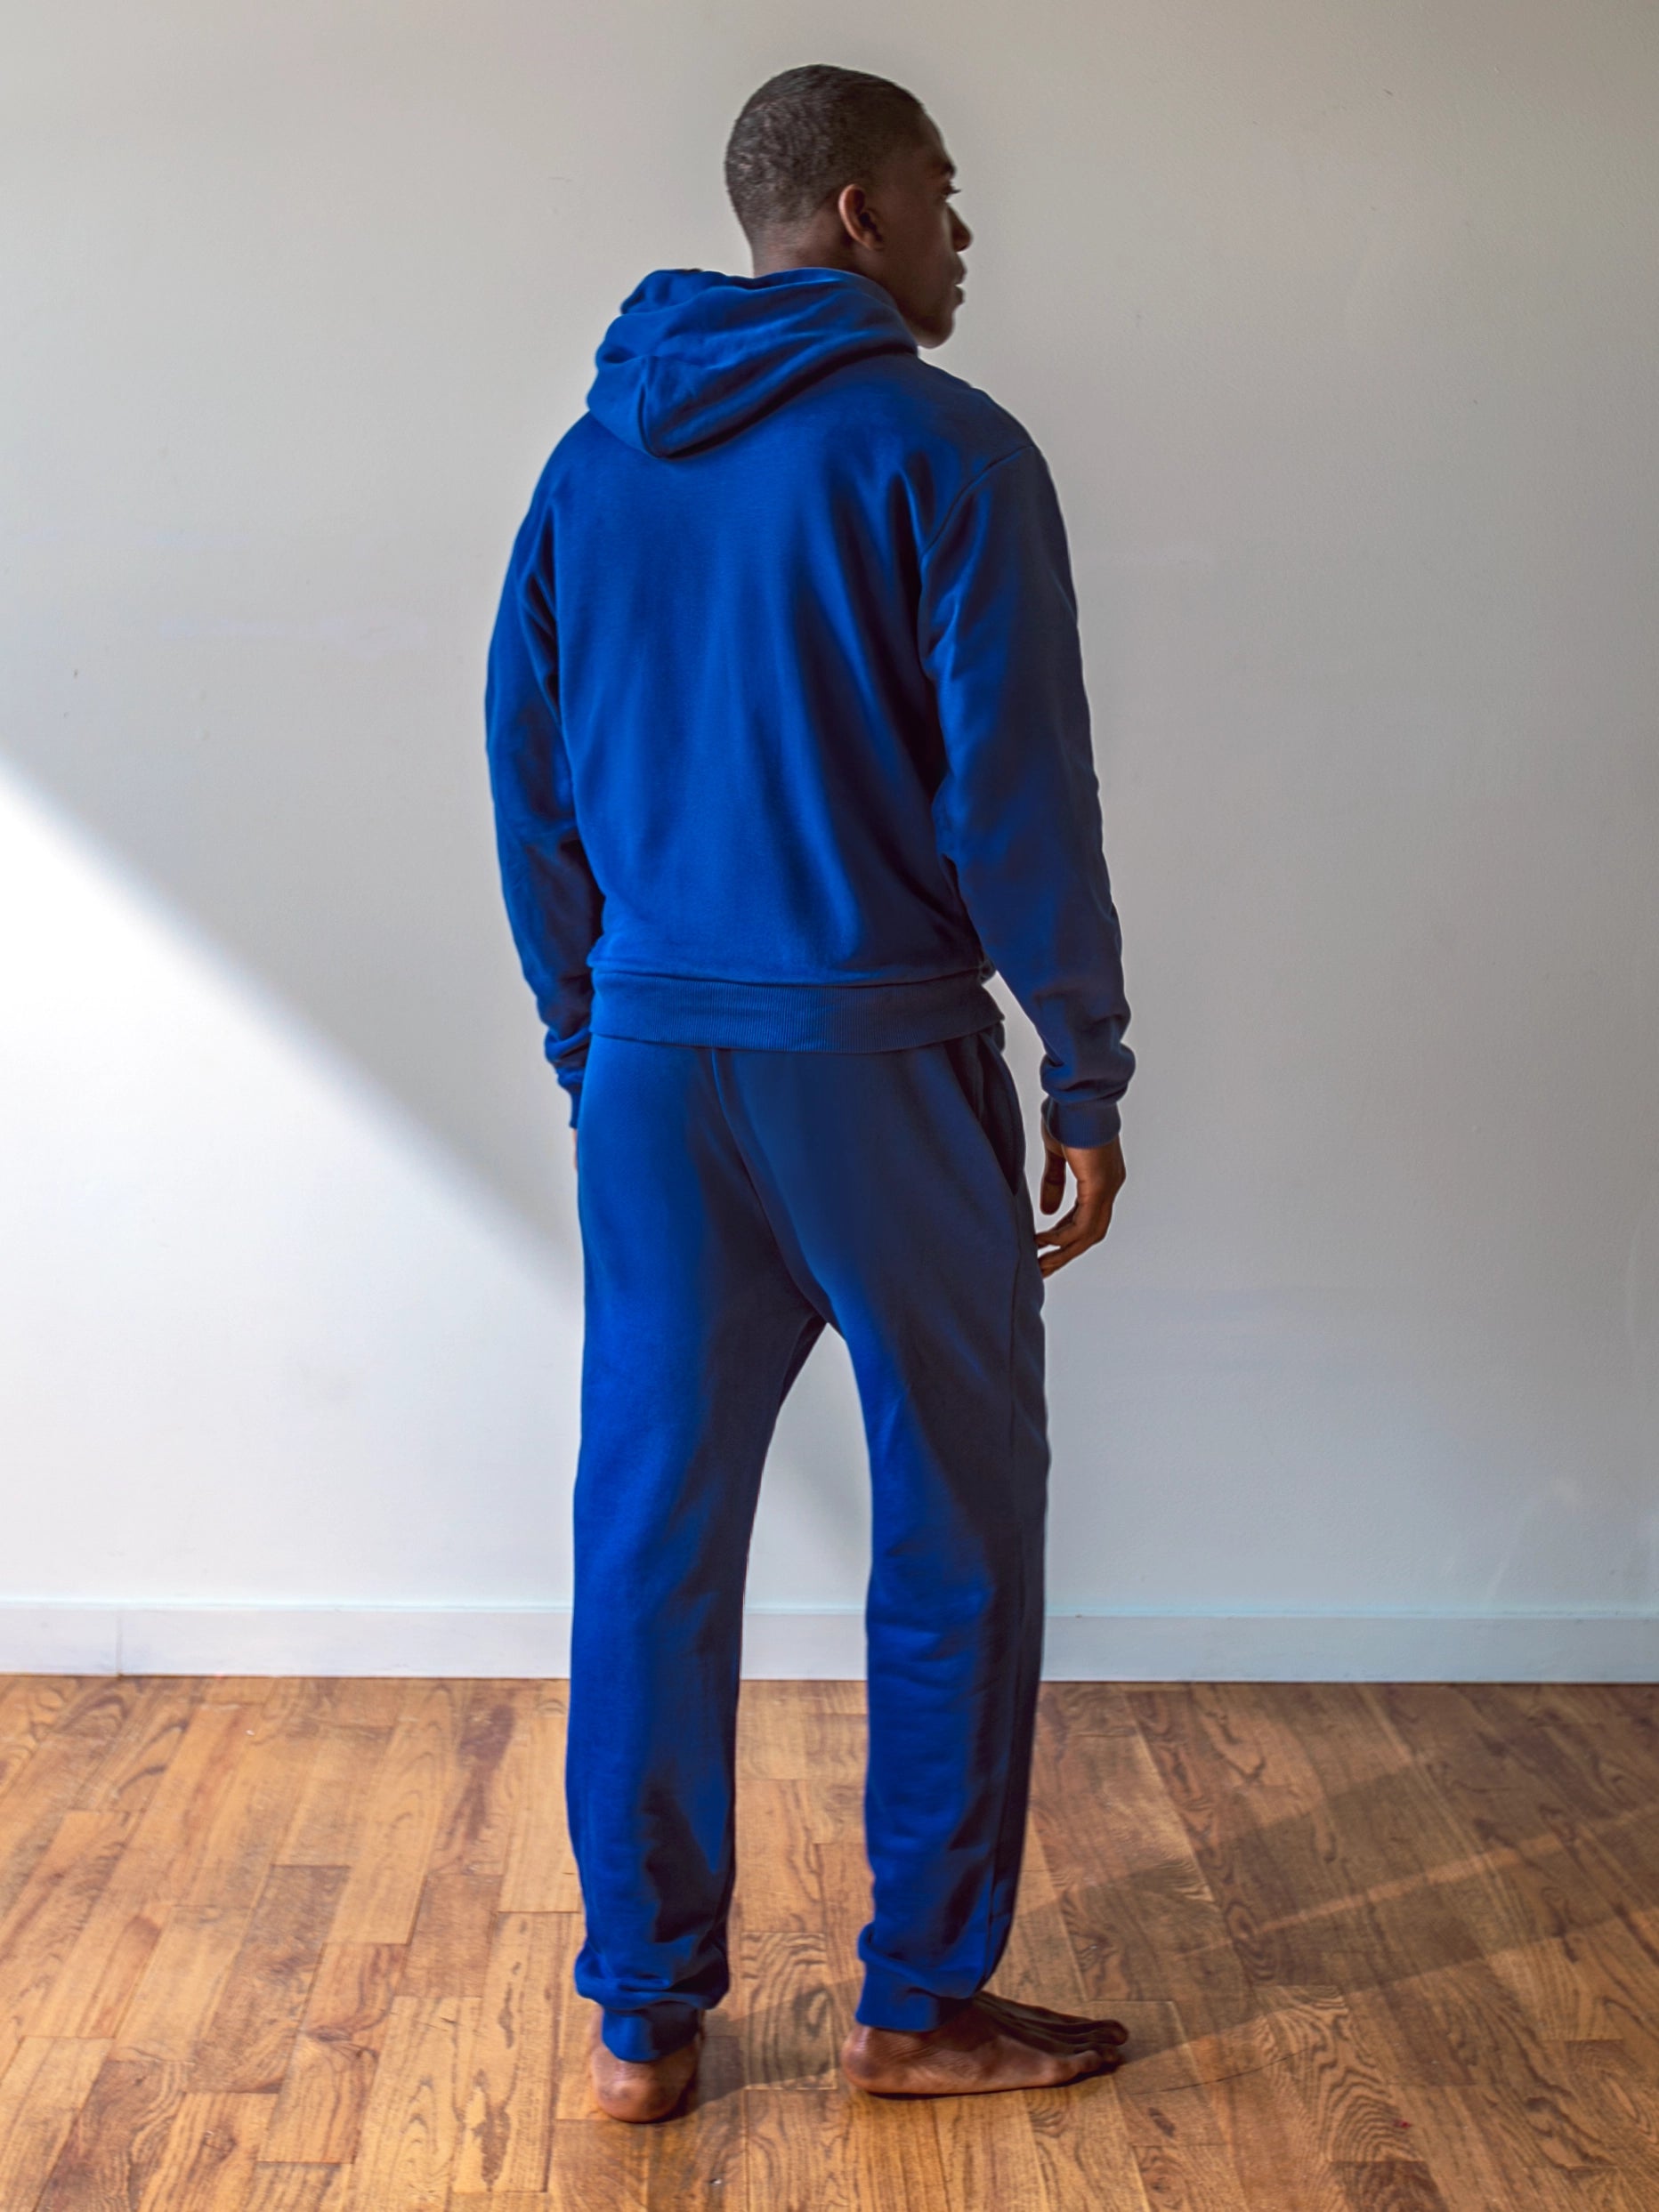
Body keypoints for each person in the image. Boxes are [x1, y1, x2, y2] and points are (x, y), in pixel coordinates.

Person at [485, 62, 1135, 2124]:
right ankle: (917, 2002)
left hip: (661, 1075)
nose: (965, 231)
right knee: (954, 1524)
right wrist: (1085, 1061)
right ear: (855, 213)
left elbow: (527, 775)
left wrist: (595, 1039)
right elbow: (1017, 793)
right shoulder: (946, 453)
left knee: (649, 1536)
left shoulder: (593, 463)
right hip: (874, 1058)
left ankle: (639, 2020)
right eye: (944, 194)